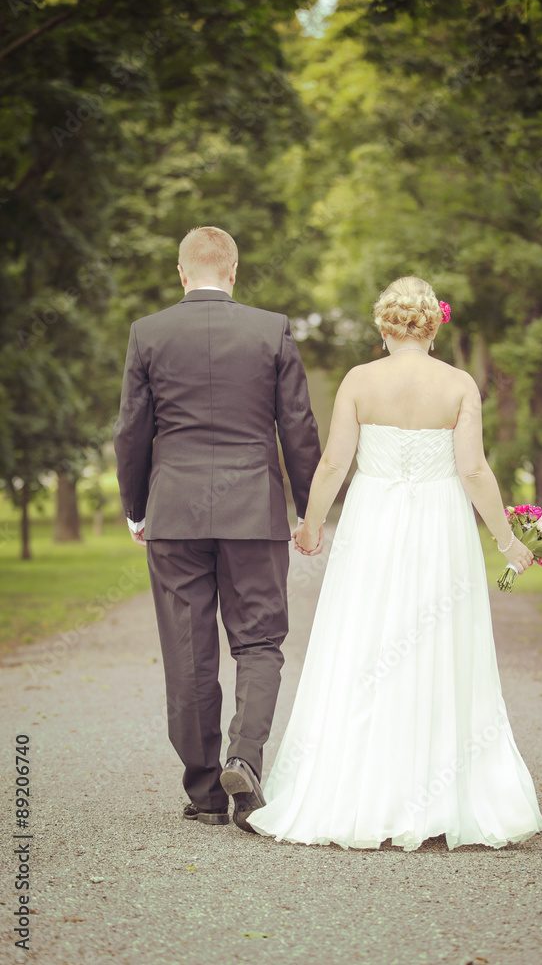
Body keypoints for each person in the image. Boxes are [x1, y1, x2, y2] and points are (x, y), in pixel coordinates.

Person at [246, 276, 542, 851]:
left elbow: (334, 463)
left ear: (384, 326)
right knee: (440, 645)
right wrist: (507, 541)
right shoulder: (459, 385)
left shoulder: (361, 381)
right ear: (435, 325)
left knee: (364, 640)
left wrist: (310, 527)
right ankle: (441, 793)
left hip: (373, 522)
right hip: (441, 525)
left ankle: (358, 787)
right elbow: (474, 471)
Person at [113, 226, 321, 829]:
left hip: (174, 511)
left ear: (182, 274)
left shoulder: (148, 333)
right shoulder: (271, 329)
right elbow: (298, 426)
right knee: (258, 641)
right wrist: (308, 509)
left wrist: (137, 508)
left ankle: (205, 792)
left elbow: (132, 431)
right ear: (233, 271)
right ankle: (245, 761)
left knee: (187, 648)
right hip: (253, 509)